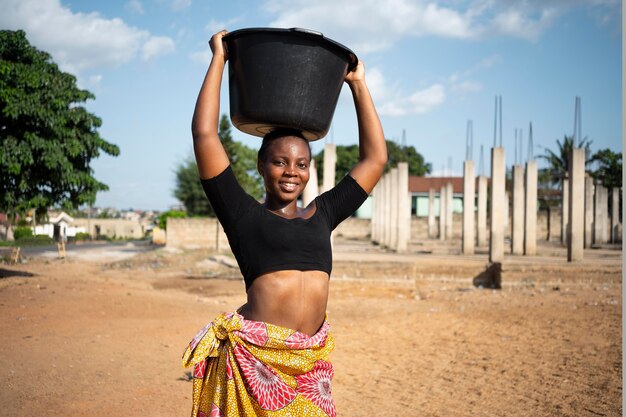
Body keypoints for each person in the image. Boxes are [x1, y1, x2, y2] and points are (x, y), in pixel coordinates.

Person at [182, 29, 387, 417]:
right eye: (279, 162)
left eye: (301, 164)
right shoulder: (243, 216)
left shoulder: (323, 214)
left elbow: (374, 160)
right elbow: (204, 134)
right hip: (259, 369)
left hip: (309, 368)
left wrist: (358, 83)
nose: (291, 172)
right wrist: (219, 59)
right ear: (261, 165)